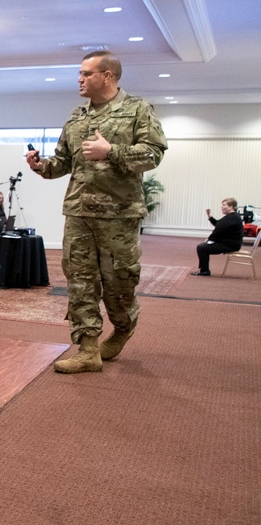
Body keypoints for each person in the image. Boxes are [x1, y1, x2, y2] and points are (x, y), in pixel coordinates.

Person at [26, 49, 167, 373]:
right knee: (80, 282)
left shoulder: (136, 109)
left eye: (86, 73)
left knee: (119, 283)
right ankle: (87, 348)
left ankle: (122, 326)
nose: (80, 79)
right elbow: (62, 162)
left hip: (119, 214)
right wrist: (41, 166)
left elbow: (153, 154)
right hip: (79, 212)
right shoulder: (77, 118)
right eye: (79, 74)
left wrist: (111, 151)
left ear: (108, 76)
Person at [192, 198, 243, 276]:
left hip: (230, 245)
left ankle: (204, 271)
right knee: (202, 247)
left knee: (201, 248)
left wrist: (209, 239)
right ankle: (204, 270)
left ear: (231, 206)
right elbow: (218, 224)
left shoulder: (232, 218)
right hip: (229, 243)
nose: (222, 207)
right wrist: (209, 215)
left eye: (224, 205)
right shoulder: (232, 217)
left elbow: (218, 230)